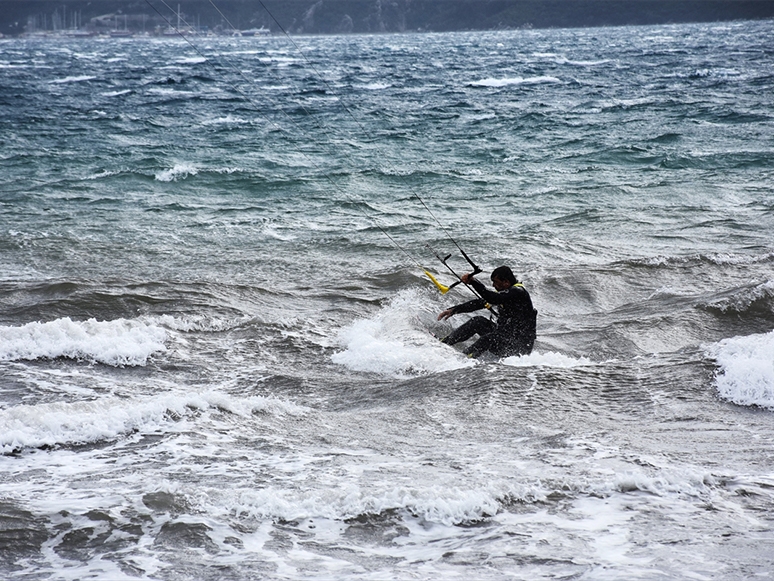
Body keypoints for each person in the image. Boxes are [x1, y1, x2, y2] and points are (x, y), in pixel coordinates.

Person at [437, 266, 537, 358]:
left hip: (518, 348)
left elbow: (493, 298)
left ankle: (462, 359)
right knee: (478, 321)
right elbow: (480, 303)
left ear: (506, 282)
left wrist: (473, 282)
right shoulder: (506, 294)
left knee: (489, 338)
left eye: (495, 282)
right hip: (505, 338)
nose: (493, 285)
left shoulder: (518, 292)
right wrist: (453, 310)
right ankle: (443, 343)